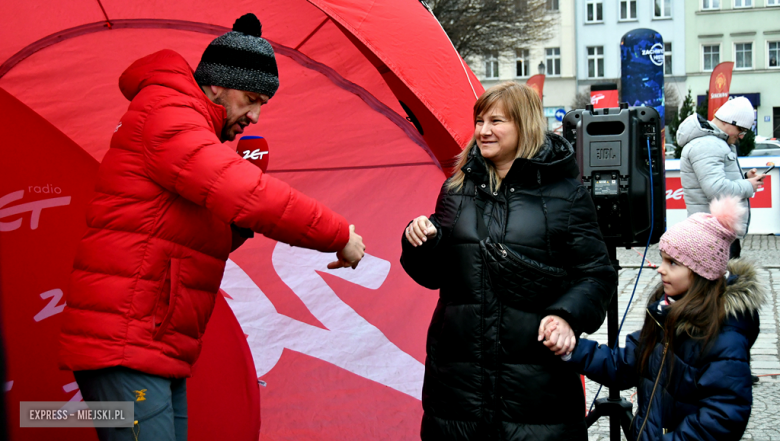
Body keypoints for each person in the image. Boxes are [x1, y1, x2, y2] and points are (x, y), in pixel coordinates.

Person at [58, 13, 365, 441]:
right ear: (216, 84)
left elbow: (189, 233)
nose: (255, 117)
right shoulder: (169, 114)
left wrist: (235, 223)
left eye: (263, 105)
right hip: (125, 343)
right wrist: (339, 235)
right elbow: (250, 195)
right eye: (251, 98)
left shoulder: (187, 126)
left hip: (150, 342)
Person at [401, 82, 617, 440]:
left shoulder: (566, 195)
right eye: (479, 121)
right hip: (459, 383)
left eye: (496, 121)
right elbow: (435, 275)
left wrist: (566, 316)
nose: (483, 131)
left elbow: (596, 276)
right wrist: (421, 241)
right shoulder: (456, 189)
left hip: (536, 386)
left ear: (524, 125)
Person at [544, 196, 765, 441]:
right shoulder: (665, 312)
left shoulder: (724, 336)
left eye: (672, 263)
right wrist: (571, 349)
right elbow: (625, 364)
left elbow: (723, 417)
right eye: (662, 259)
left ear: (701, 271)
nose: (660, 268)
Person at [678, 96, 766, 259]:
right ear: (728, 122)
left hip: (714, 231)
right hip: (713, 234)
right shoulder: (707, 145)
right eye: (741, 130)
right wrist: (748, 186)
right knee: (719, 283)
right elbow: (717, 190)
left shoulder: (712, 143)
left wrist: (745, 178)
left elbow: (715, 181)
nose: (741, 136)